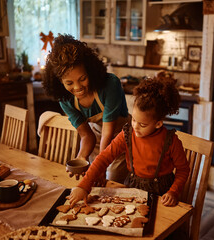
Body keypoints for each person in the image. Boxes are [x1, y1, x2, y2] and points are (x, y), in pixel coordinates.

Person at [68, 77, 190, 207]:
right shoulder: (127, 134)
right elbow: (103, 158)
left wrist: (173, 192)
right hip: (132, 187)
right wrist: (84, 186)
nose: (135, 127)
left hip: (162, 193)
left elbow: (183, 170)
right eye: (134, 120)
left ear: (158, 124)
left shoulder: (171, 141)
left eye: (142, 124)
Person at [42, 34, 130, 184]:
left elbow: (108, 133)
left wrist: (100, 165)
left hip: (122, 136)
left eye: (82, 79)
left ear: (90, 71)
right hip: (97, 137)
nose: (77, 88)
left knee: (113, 177)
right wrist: (81, 157)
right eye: (69, 83)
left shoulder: (110, 84)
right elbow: (86, 136)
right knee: (94, 182)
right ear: (59, 82)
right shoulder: (65, 99)